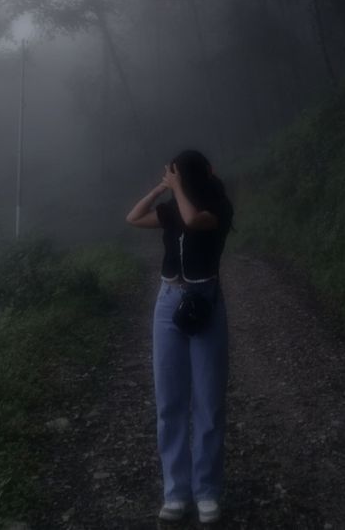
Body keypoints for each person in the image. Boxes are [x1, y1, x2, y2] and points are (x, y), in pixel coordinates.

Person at [126, 149, 234, 525]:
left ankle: (205, 491)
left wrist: (177, 189)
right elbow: (133, 218)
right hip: (168, 303)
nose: (172, 180)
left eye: (175, 175)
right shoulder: (172, 208)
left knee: (208, 402)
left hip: (204, 301)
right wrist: (160, 189)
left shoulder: (218, 206)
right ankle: (176, 492)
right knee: (169, 403)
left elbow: (192, 220)